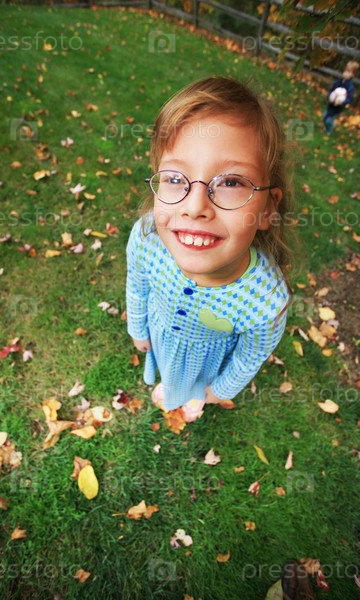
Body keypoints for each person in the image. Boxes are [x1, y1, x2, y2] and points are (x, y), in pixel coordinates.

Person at [126, 76, 293, 413]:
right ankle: (171, 384)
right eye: (175, 178)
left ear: (267, 209)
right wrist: (138, 329)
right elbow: (137, 285)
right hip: (162, 337)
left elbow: (251, 354)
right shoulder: (146, 238)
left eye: (230, 182)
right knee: (170, 372)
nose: (195, 207)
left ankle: (193, 397)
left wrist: (220, 389)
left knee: (194, 391)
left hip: (207, 363)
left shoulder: (266, 301)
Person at [322, 60, 359, 136]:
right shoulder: (339, 81)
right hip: (331, 104)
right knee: (324, 117)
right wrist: (329, 95)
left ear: (352, 75)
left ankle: (328, 131)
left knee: (329, 120)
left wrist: (342, 102)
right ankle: (330, 124)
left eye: (348, 72)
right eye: (345, 71)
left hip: (338, 108)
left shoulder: (350, 87)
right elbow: (332, 90)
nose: (346, 73)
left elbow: (349, 98)